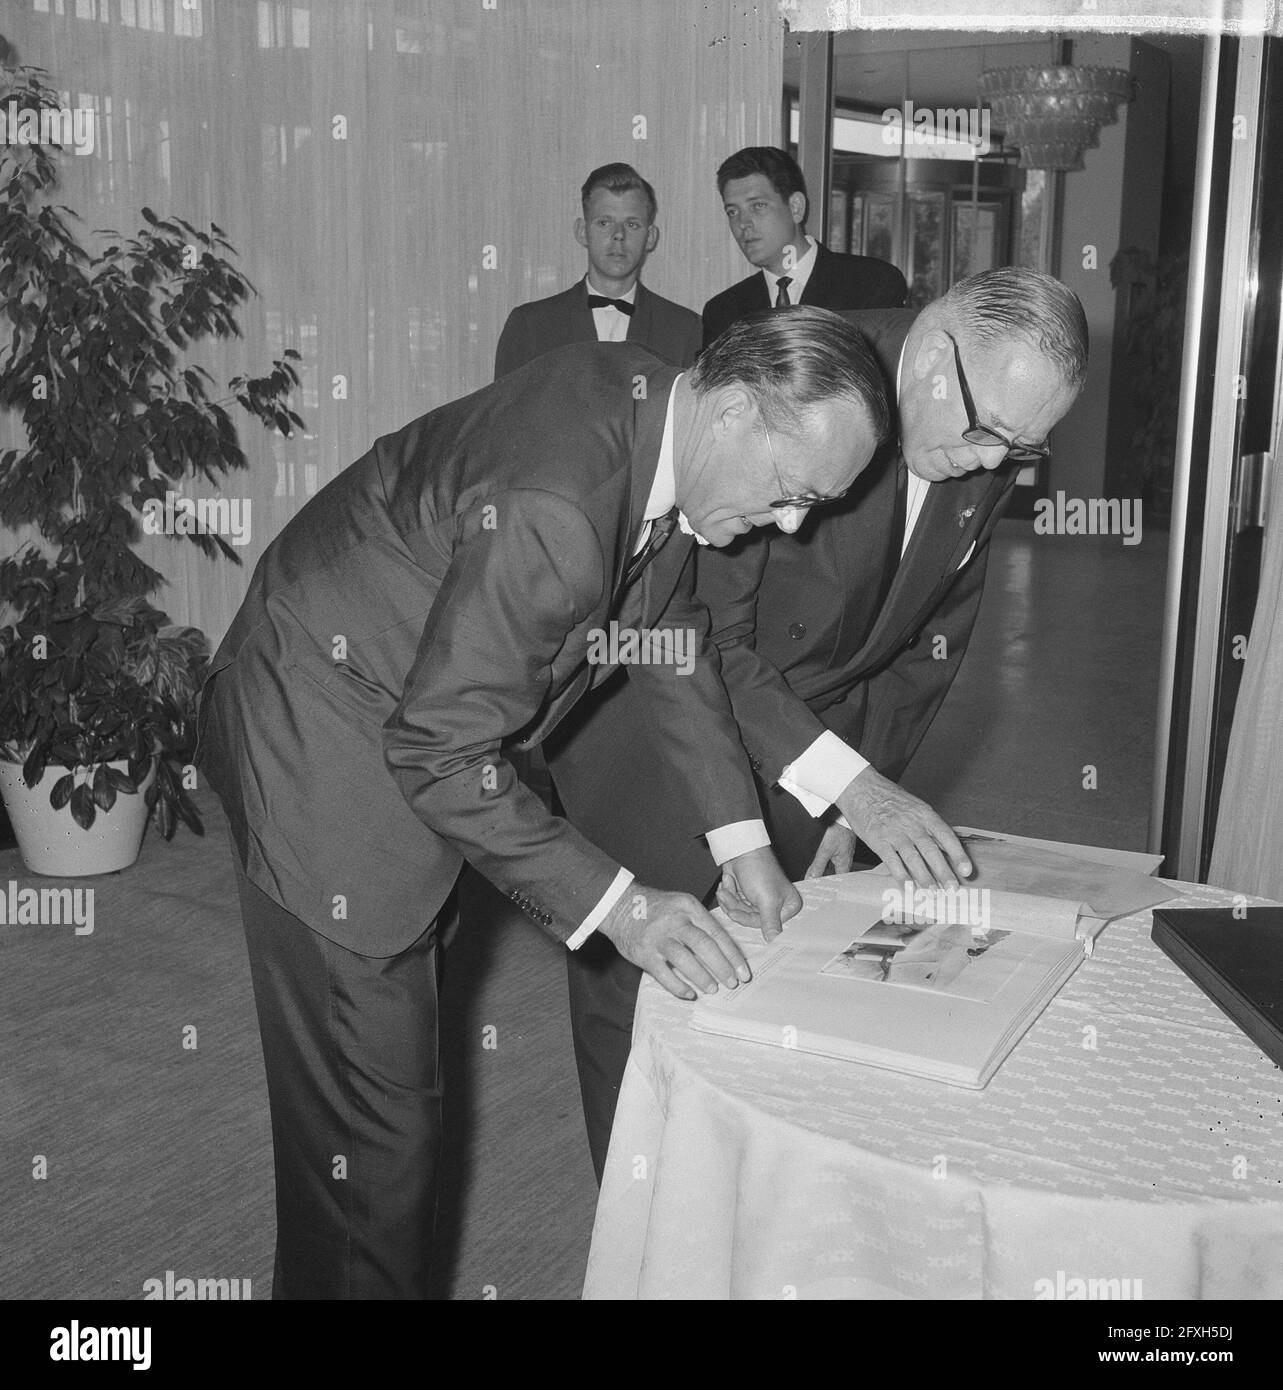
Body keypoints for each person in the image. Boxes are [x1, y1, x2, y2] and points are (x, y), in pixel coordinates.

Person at [196, 305, 890, 1298]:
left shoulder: (657, 406)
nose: (788, 525)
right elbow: (440, 755)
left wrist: (741, 844)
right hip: (321, 738)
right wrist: (624, 907)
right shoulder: (558, 504)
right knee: (372, 1143)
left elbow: (667, 633)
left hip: (406, 701)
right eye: (789, 493)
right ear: (735, 408)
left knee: (391, 1092)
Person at [546, 267, 1088, 1179]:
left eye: (1022, 450)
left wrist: (848, 801)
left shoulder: (983, 425)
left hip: (817, 757)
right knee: (641, 1018)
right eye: (989, 433)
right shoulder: (807, 384)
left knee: (772, 1001)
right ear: (932, 357)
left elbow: (929, 646)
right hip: (666, 741)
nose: (994, 464)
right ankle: (640, 1228)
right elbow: (704, 638)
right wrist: (854, 787)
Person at [494, 162, 701, 377]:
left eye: (632, 224)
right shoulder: (530, 326)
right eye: (604, 223)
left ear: (650, 237)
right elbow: (503, 410)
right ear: (582, 232)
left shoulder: (684, 329)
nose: (618, 235)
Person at [701, 145, 907, 349]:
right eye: (733, 212)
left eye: (758, 206)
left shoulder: (872, 284)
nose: (743, 223)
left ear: (796, 207)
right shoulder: (723, 313)